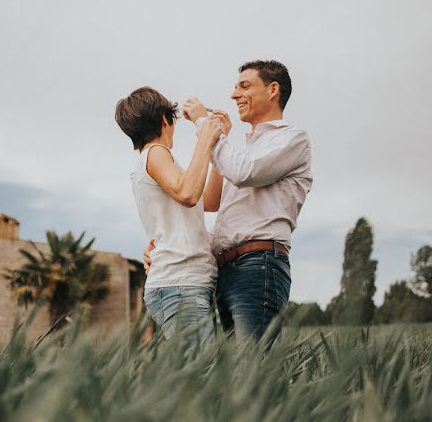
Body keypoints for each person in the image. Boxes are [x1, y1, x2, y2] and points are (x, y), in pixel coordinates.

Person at [144, 60, 313, 343]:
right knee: (238, 377)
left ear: (273, 90)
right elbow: (213, 205)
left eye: (244, 86)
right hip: (227, 271)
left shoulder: (292, 139)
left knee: (255, 370)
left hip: (258, 266)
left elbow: (243, 172)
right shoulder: (244, 149)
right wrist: (168, 246)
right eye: (235, 88)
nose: (234, 95)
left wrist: (203, 124)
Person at [115, 86, 225, 347]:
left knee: (201, 376)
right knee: (201, 378)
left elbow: (208, 201)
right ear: (165, 119)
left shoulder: (154, 161)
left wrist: (217, 146)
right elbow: (188, 193)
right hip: (180, 284)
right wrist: (204, 137)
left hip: (184, 283)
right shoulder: (155, 152)